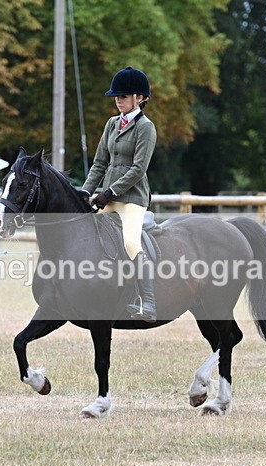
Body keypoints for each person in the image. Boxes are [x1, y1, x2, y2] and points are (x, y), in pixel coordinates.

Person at [82, 66, 157, 322]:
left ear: (140, 98)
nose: (118, 100)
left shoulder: (145, 128)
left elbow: (138, 169)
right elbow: (99, 163)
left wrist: (110, 191)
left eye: (123, 96)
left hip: (132, 198)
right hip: (107, 196)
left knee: (130, 243)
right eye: (117, 96)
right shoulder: (112, 124)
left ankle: (148, 302)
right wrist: (85, 192)